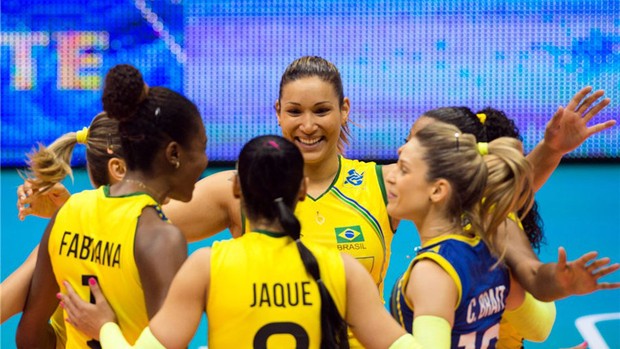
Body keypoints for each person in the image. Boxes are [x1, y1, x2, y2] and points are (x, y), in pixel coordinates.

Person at [14, 57, 617, 344]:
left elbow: (478, 195)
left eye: (322, 111)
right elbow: (132, 221)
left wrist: (549, 154)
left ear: (344, 113)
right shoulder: (233, 191)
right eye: (295, 112)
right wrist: (74, 203)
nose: (308, 125)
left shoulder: (384, 185)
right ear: (276, 114)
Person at [57, 135, 421, 349]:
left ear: (235, 188)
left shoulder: (208, 265)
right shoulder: (343, 270)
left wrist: (104, 325)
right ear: (302, 192)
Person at [15, 64, 208, 348]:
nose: (205, 162)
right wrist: (106, 330)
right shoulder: (161, 238)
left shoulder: (69, 211)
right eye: (201, 148)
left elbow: (29, 336)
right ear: (174, 153)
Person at [386, 121, 594, 348]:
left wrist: (366, 316)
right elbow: (537, 323)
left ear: (438, 190)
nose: (390, 177)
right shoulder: (488, 256)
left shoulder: (433, 272)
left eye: (403, 169)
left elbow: (538, 324)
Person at [0, 112, 124, 349]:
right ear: (119, 167)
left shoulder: (71, 223)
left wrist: (68, 213)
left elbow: (29, 336)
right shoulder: (155, 235)